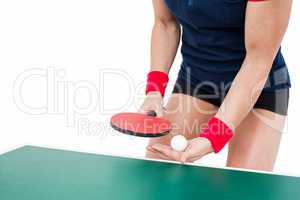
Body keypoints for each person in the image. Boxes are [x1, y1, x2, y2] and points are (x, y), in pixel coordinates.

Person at [139, 0, 292, 171]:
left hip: (260, 87)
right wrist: (154, 90)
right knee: (158, 170)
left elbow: (258, 61)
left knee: (244, 188)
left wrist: (214, 137)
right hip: (197, 78)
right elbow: (165, 24)